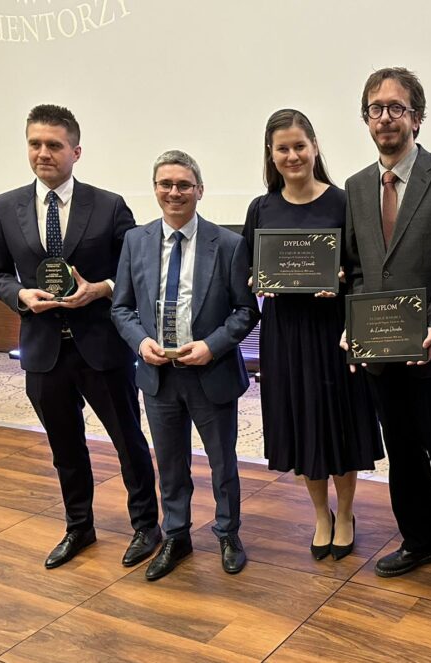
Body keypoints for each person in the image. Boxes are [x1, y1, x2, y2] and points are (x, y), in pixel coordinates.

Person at [0, 104, 161, 571]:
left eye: (54, 145)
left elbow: (137, 270)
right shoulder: (5, 207)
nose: (43, 153)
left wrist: (100, 289)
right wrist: (21, 294)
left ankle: (147, 525)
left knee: (128, 440)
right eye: (35, 144)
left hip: (101, 346)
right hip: (43, 350)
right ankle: (79, 526)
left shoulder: (109, 205)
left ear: (75, 151)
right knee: (65, 446)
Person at [341, 67, 431, 602]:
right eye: (375, 108)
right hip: (379, 354)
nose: (385, 118)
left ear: (417, 117)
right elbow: (356, 269)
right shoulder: (356, 187)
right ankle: (420, 540)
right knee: (400, 453)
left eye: (396, 108)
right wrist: (353, 326)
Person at [110, 150, 260, 580]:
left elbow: (246, 311)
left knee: (221, 463)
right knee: (170, 464)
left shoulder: (228, 244)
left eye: (183, 185)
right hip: (158, 376)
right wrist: (141, 343)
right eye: (165, 184)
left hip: (210, 374)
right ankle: (176, 534)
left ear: (199, 190)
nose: (174, 192)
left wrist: (212, 346)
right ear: (155, 189)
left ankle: (228, 532)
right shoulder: (135, 242)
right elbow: (121, 308)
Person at [241, 109, 383, 561]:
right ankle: (320, 513)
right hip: (284, 335)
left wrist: (339, 277)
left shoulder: (343, 203)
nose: (292, 155)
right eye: (282, 148)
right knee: (302, 424)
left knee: (338, 425)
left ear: (315, 147)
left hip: (331, 331)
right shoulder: (261, 207)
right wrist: (257, 280)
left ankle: (346, 513)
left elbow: (362, 268)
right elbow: (247, 268)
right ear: (271, 153)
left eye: (299, 146)